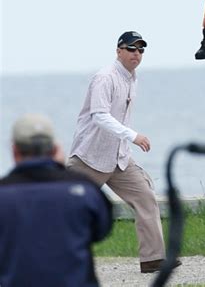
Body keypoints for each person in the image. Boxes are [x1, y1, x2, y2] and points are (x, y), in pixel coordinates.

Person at [67, 31, 180, 274]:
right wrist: (133, 135)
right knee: (63, 207)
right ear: (118, 51)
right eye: (131, 49)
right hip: (89, 158)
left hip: (118, 158)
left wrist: (127, 142)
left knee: (146, 197)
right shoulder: (104, 78)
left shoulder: (132, 78)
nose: (136, 54)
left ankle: (154, 259)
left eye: (140, 50)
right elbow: (99, 116)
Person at [0, 113, 112, 287]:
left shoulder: (4, 191)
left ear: (14, 151)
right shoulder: (85, 189)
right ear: (54, 149)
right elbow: (102, 231)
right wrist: (61, 169)